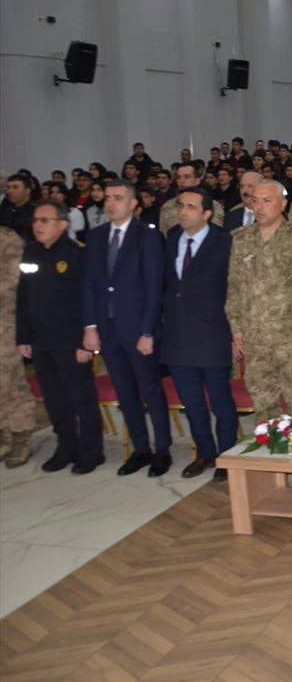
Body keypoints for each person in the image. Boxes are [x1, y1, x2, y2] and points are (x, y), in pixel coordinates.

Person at [81, 179, 173, 476]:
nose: (110, 203)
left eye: (118, 198)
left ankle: (162, 450)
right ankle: (140, 448)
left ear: (134, 204)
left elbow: (153, 287)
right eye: (107, 198)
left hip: (138, 330)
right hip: (107, 329)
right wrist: (90, 326)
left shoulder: (146, 236)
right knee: (124, 392)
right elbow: (90, 285)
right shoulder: (95, 237)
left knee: (150, 390)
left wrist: (148, 332)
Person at [16, 202, 106, 473]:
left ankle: (92, 451)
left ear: (63, 224)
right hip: (41, 340)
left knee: (81, 397)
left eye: (45, 220)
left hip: (71, 341)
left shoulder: (78, 254)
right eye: (36, 220)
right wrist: (23, 336)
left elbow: (90, 301)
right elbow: (24, 298)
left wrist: (85, 342)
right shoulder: (30, 252)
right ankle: (66, 447)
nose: (38, 225)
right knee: (54, 398)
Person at [226, 180, 292, 439]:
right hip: (254, 340)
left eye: (267, 200)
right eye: (255, 200)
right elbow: (233, 289)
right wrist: (236, 328)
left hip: (290, 339)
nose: (259, 206)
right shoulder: (241, 239)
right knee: (263, 405)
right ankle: (271, 462)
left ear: (283, 204)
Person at [160, 188, 238, 481]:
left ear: (207, 213)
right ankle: (205, 452)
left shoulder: (224, 241)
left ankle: (227, 456)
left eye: (191, 207)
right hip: (178, 334)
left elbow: (233, 287)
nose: (183, 211)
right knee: (192, 403)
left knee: (221, 402)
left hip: (212, 331)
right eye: (181, 205)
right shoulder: (171, 239)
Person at [1, 226, 38, 467]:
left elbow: (16, 283)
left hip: (6, 320)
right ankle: (3, 431)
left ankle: (21, 433)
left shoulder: (8, 239)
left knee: (11, 380)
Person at [157, 163, 225, 235]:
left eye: (187, 177)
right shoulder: (168, 206)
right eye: (178, 177)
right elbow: (164, 235)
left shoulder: (213, 206)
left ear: (197, 181)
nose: (182, 181)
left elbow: (216, 233)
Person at [1, 173, 36, 240]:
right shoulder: (4, 210)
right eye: (8, 187)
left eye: (15, 187)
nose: (9, 191)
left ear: (28, 191)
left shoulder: (35, 213)